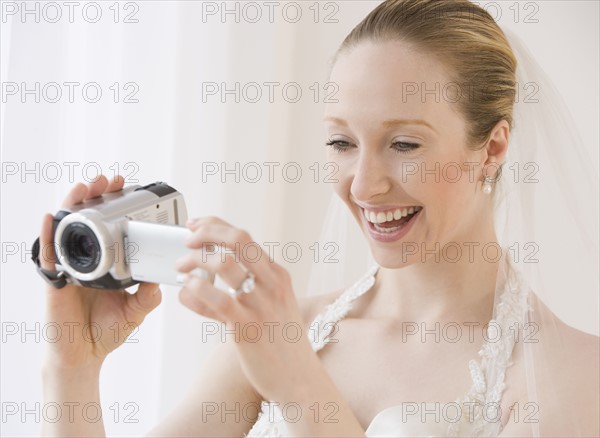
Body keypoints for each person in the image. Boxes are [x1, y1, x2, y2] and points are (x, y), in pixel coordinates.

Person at [38, 0, 598, 436]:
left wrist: (299, 385)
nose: (363, 184)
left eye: (404, 144)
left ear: (493, 148)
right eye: (341, 141)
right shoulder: (279, 334)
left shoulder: (568, 375)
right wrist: (73, 368)